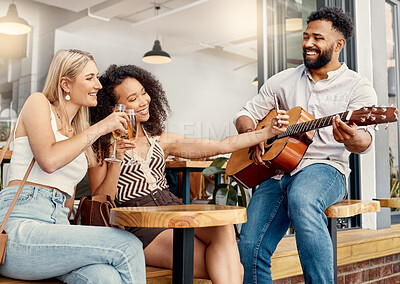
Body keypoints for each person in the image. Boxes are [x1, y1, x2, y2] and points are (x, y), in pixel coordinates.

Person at [88, 64, 289, 284]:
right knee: (234, 269)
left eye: (144, 93)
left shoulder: (161, 139)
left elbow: (221, 146)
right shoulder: (101, 145)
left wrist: (268, 132)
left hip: (172, 209)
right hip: (139, 225)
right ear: (115, 109)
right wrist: (116, 158)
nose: (144, 101)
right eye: (133, 99)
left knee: (223, 228)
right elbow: (100, 199)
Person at [236, 7, 378, 284]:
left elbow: (364, 141)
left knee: (303, 197)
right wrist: (254, 134)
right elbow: (245, 114)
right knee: (249, 246)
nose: (308, 44)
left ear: (339, 45)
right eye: (305, 36)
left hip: (325, 168)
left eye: (317, 38)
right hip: (275, 170)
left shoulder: (357, 88)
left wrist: (352, 138)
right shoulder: (282, 80)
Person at [0, 49, 146, 283]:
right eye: (90, 78)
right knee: (127, 245)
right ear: (65, 84)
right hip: (20, 227)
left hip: (58, 227)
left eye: (97, 77)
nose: (98, 84)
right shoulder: (38, 103)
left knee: (104, 277)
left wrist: (115, 155)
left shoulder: (79, 131)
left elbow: (68, 197)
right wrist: (101, 127)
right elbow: (48, 160)